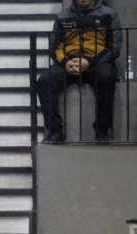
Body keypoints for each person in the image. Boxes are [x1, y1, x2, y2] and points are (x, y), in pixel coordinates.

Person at [36, 0, 122, 142]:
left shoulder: (109, 14)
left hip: (97, 62)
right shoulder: (62, 17)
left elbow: (114, 47)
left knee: (107, 76)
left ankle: (102, 130)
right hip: (69, 62)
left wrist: (89, 62)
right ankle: (55, 131)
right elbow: (54, 46)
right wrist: (66, 63)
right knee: (44, 81)